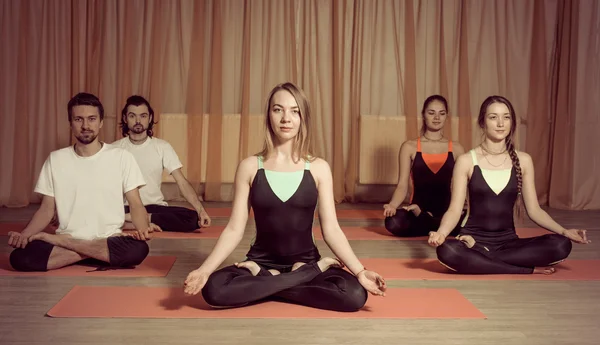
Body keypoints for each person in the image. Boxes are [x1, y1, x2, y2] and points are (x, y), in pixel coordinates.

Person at [183, 82, 386, 311]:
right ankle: (299, 275)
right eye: (278, 109)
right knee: (214, 289)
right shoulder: (250, 167)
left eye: (294, 111)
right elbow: (234, 229)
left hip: (304, 261)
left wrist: (359, 271)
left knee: (354, 294)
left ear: (303, 118)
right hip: (260, 262)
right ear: (269, 115)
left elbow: (331, 230)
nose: (285, 118)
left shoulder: (318, 168)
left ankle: (266, 282)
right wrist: (205, 270)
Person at [428, 95, 590, 274]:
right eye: (493, 117)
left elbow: (535, 211)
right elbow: (454, 210)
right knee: (447, 250)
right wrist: (441, 233)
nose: (500, 123)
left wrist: (565, 231)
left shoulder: (524, 160)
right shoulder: (466, 161)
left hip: (509, 244)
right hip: (472, 239)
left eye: (506, 117)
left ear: (512, 123)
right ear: (482, 122)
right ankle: (523, 269)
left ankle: (483, 258)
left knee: (560, 245)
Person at [7, 93, 152, 272]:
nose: (85, 126)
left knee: (139, 250)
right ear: (70, 123)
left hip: (107, 238)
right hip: (96, 244)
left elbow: (135, 203)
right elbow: (46, 209)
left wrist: (143, 229)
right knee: (19, 258)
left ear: (100, 122)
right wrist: (25, 235)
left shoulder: (122, 157)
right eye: (78, 119)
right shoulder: (56, 159)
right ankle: (96, 254)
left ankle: (70, 247)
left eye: (91, 119)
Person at [113, 95, 211, 232]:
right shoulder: (114, 149)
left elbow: (181, 181)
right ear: (125, 119)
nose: (138, 121)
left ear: (150, 118)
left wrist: (201, 210)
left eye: (143, 116)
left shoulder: (162, 146)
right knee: (102, 214)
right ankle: (133, 219)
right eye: (132, 116)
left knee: (192, 218)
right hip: (126, 206)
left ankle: (137, 219)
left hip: (154, 207)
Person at [383, 95, 465, 237]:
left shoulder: (457, 149)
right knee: (393, 222)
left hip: (447, 212)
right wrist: (392, 205)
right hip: (416, 209)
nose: (437, 118)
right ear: (423, 115)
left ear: (447, 116)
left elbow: (464, 187)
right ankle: (436, 226)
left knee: (475, 223)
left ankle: (431, 222)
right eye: (431, 113)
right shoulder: (409, 147)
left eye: (442, 113)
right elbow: (402, 186)